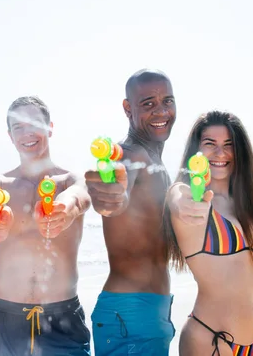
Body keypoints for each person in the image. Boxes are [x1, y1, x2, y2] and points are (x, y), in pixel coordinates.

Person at [163, 110, 253, 356]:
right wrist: (178, 198)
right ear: (196, 150)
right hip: (211, 341)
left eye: (228, 145)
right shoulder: (190, 198)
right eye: (210, 144)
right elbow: (176, 195)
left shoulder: (247, 206)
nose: (220, 153)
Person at [0, 96, 92, 356]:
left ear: (50, 127)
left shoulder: (70, 181)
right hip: (5, 321)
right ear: (10, 136)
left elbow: (80, 197)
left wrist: (65, 208)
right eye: (18, 127)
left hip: (61, 319)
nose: (27, 133)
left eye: (33, 124)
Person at [84, 69, 177, 355]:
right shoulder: (130, 154)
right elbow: (116, 194)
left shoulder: (156, 161)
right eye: (148, 103)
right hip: (129, 314)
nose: (161, 111)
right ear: (128, 108)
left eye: (168, 101)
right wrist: (110, 196)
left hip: (150, 311)